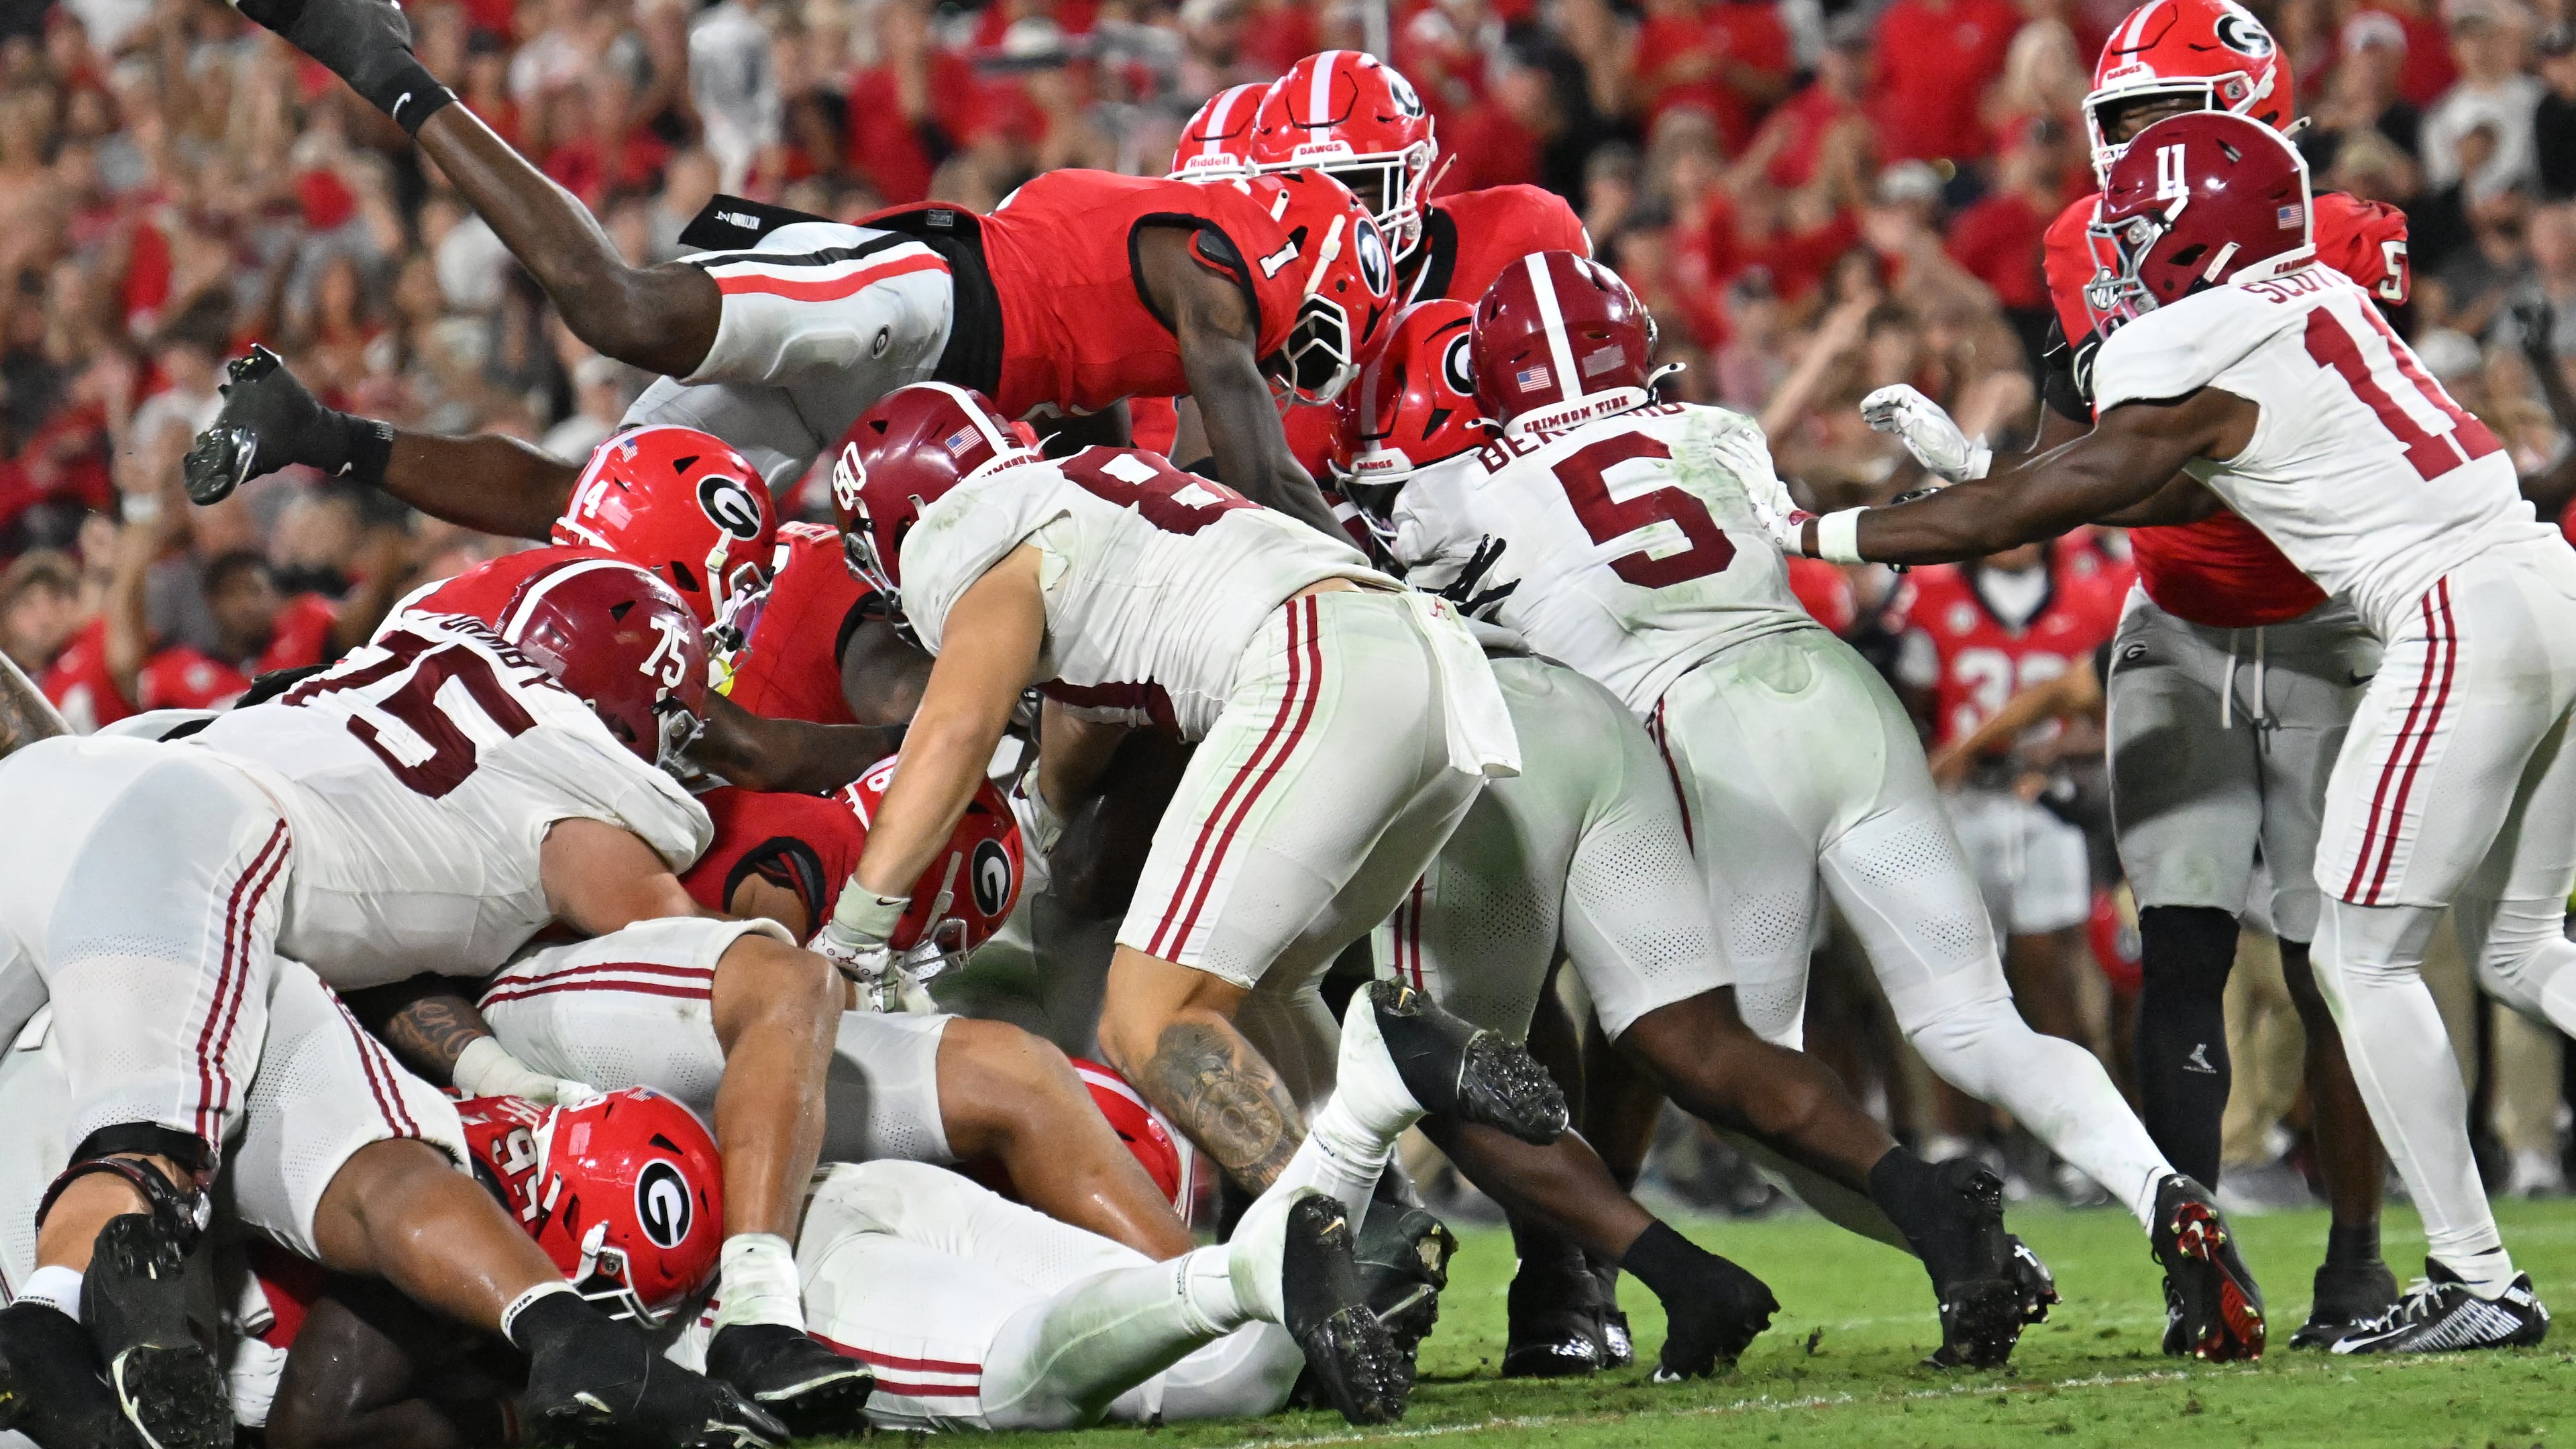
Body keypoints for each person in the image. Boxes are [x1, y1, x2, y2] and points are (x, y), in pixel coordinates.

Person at [1385, 249, 2262, 1362]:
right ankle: (2162, 1194)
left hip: (1699, 737)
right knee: (1974, 1021)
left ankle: (1960, 1241)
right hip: (1832, 689)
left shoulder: (1450, 490)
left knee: (1748, 1080)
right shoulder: (1713, 428)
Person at [1794, 109, 2566, 1354]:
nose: (2122, 249)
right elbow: (2138, 470)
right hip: (2535, 584)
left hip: (2436, 618)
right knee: (2526, 951)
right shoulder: (2310, 285)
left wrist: (1825, 529)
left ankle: (2471, 1275)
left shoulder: (2207, 326)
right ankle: (2449, 1273)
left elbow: (2096, 484)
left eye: (2148, 222)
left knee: (2356, 962)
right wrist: (1988, 477)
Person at [1334, 301, 2053, 1375]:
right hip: (1621, 736)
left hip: (1496, 737)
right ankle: (1928, 1201)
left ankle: (1629, 1284)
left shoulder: (1438, 472)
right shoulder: (1678, 434)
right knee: (1691, 1042)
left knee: (1427, 1054)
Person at [0, 553, 799, 1446]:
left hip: (65, 786)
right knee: (161, 1152)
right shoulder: (582, 773)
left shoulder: (396, 652)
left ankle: (568, 1337)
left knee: (343, 1146)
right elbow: (671, 940)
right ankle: (44, 1324)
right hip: (193, 843)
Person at [811, 384, 1556, 1311]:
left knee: (1148, 1019)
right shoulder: (1072, 491)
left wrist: (855, 927)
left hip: (1316, 662)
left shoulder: (963, 528)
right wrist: (1037, 830)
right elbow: (1082, 720)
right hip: (1427, 667)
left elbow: (955, 725)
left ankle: (1327, 1233)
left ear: (901, 513)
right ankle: (1379, 1222)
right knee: (1258, 988)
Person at [1898, 0, 2408, 1344]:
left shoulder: (2342, 236)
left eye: (2176, 119)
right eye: (2125, 124)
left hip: (2327, 627)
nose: (2146, 151)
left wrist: (2035, 492)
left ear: (2258, 118)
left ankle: (2358, 1261)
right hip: (2174, 626)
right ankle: (2205, 1268)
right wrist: (2003, 481)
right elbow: (2083, 454)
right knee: (2176, 946)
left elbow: (2247, 470)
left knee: (2330, 961)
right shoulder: (2083, 244)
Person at [211, 0, 1393, 543]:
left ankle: (322, 434)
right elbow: (1263, 478)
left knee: (616, 525)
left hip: (912, 376)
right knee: (618, 309)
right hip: (919, 303)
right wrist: (1394, 587)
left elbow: (1199, 484)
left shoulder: (1182, 298)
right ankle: (384, 65)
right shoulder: (1223, 261)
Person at [184, 390, 906, 792]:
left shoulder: (485, 580)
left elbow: (544, 489)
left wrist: (329, 435)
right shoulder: (593, 618)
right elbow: (755, 752)